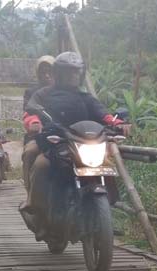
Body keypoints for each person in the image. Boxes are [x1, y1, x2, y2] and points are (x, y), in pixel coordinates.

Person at [20, 51, 128, 224]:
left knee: (106, 163)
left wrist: (118, 123)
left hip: (81, 144)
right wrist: (33, 122)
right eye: (69, 72)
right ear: (59, 73)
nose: (73, 76)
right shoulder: (43, 94)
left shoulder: (85, 97)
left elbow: (103, 114)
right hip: (55, 143)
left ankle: (107, 208)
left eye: (76, 72)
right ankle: (34, 208)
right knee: (40, 164)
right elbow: (31, 111)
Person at [21, 55, 55, 191]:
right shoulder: (32, 92)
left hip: (66, 136)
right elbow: (28, 112)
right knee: (29, 153)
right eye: (43, 72)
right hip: (40, 135)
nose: (47, 75)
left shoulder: (66, 89)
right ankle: (30, 194)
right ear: (38, 74)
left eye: (50, 71)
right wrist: (34, 122)